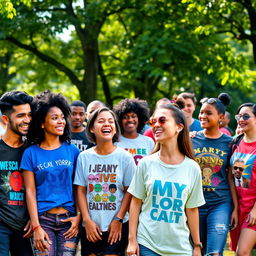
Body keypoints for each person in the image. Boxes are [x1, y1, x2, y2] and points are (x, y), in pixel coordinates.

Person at [127, 102, 205, 256]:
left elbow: (192, 209)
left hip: (180, 249)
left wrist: (197, 245)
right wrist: (132, 240)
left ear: (179, 127)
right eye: (153, 121)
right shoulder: (145, 163)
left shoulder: (192, 168)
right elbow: (135, 203)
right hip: (147, 244)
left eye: (162, 120)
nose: (156, 125)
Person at [21, 91, 80, 256]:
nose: (61, 121)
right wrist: (36, 226)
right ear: (42, 123)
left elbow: (79, 188)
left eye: (62, 117)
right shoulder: (30, 153)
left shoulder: (73, 151)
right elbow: (30, 192)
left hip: (69, 220)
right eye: (55, 118)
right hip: (43, 220)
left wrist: (79, 217)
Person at [74, 107, 136, 256]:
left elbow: (130, 191)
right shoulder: (84, 157)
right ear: (92, 129)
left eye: (111, 121)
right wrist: (87, 220)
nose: (107, 124)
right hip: (91, 225)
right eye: (101, 121)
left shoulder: (125, 157)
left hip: (116, 225)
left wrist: (119, 220)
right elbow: (81, 190)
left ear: (115, 129)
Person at [192, 93, 238, 255]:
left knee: (214, 252)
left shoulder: (230, 143)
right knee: (197, 249)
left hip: (220, 204)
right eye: (202, 112)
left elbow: (232, 178)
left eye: (208, 113)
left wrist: (235, 208)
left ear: (220, 117)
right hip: (195, 204)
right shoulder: (191, 140)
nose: (203, 116)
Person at [0, 91, 34, 256]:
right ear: (5, 119)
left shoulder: (33, 150)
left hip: (27, 226)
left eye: (29, 115)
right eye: (21, 115)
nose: (27, 120)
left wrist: (33, 218)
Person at [229, 103, 256, 255]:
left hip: (253, 209)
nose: (241, 119)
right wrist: (234, 208)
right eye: (239, 116)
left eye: (246, 116)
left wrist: (255, 210)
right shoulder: (235, 143)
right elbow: (231, 177)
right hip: (239, 209)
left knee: (242, 252)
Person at [113, 98, 154, 165]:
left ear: (140, 119)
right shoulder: (115, 142)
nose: (130, 120)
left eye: (133, 116)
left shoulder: (148, 142)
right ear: (119, 120)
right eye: (125, 117)